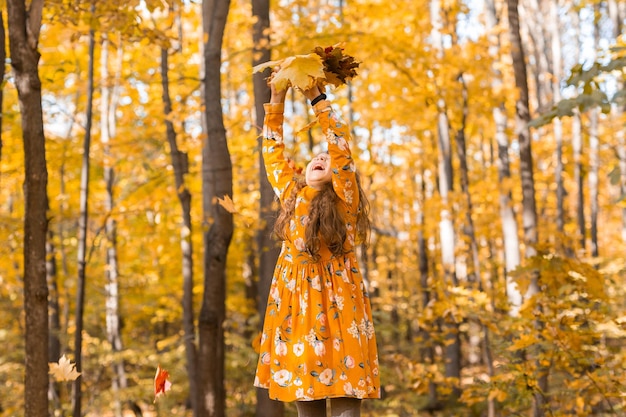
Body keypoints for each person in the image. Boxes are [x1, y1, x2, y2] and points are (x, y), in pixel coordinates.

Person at [254, 72, 380, 417]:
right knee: (306, 404)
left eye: (325, 159)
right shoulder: (293, 196)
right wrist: (276, 100)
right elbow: (272, 154)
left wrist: (316, 98)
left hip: (341, 306)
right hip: (297, 309)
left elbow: (339, 145)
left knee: (345, 401)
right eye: (314, 158)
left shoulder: (345, 200)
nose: (318, 158)